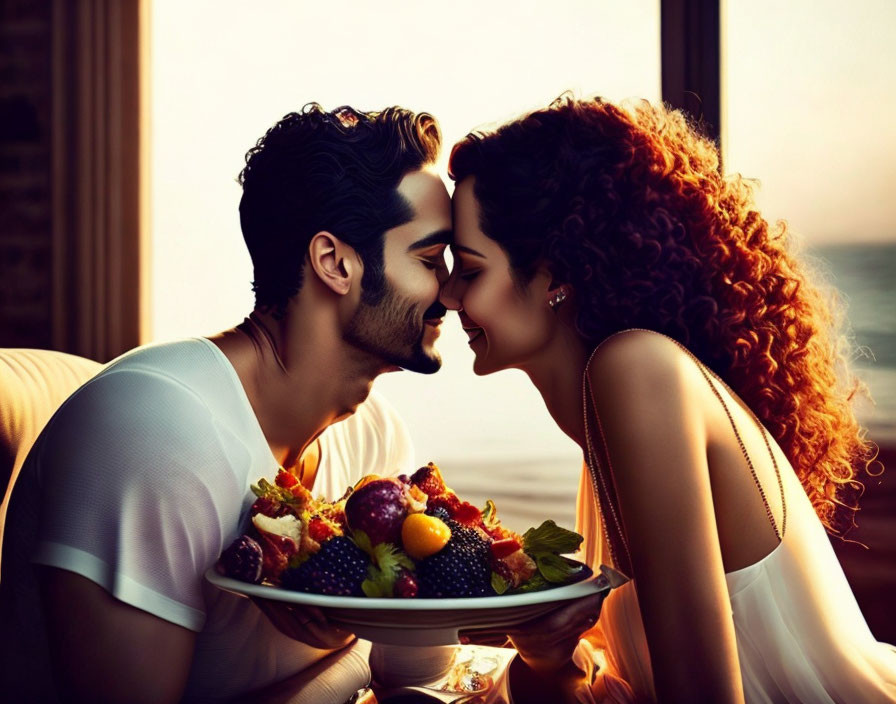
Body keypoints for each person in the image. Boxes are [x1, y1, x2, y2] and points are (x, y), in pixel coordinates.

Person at [441, 96, 896, 703]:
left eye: (469, 270)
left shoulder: (635, 373)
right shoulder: (603, 423)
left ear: (553, 276)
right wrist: (549, 661)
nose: (446, 294)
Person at [0, 103, 452, 703]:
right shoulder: (153, 430)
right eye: (428, 260)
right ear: (334, 263)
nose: (451, 290)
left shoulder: (373, 435)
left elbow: (420, 672)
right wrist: (354, 664)